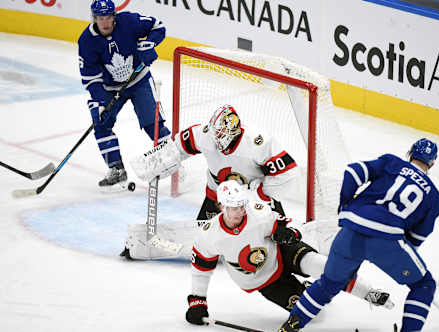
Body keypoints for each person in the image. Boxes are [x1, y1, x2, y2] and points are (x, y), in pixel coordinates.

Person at [278, 138, 439, 332]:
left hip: (350, 231)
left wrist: (345, 206)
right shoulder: (435, 198)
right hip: (388, 241)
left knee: (328, 284)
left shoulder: (391, 162)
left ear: (409, 154)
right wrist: (386, 251)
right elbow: (416, 239)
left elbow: (353, 171)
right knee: (424, 284)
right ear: (432, 163)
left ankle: (290, 326)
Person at [185, 180, 394, 326]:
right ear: (221, 206)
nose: (240, 211)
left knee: (318, 264)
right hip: (263, 281)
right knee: (313, 313)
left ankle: (368, 292)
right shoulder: (209, 234)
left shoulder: (257, 212)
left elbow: (285, 225)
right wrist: (197, 301)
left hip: (280, 252)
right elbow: (201, 269)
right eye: (234, 208)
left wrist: (289, 232)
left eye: (241, 205)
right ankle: (307, 289)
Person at [131, 104, 298, 219]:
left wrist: (261, 193)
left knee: (279, 237)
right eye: (215, 132)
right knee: (204, 239)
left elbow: (287, 174)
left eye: (221, 134)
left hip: (254, 198)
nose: (216, 138)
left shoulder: (257, 142)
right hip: (217, 196)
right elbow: (176, 148)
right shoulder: (203, 134)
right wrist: (155, 162)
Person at [78, 0, 170, 192]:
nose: (105, 22)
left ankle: (172, 160)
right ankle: (116, 169)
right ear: (94, 18)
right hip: (110, 89)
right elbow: (90, 77)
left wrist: (148, 45)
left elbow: (158, 26)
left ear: (114, 16)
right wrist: (101, 100)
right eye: (100, 18)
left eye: (108, 17)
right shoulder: (86, 41)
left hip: (139, 79)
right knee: (100, 123)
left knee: (152, 123)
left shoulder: (129, 22)